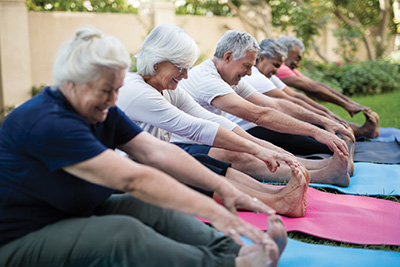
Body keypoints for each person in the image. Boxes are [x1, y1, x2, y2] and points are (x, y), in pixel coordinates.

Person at [0, 27, 288, 266]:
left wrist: (224, 188)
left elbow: (158, 152)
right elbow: (133, 178)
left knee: (150, 206)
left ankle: (236, 252)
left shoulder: (102, 109)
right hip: (21, 237)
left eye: (116, 89)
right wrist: (216, 212)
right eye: (105, 91)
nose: (113, 101)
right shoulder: (47, 122)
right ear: (71, 83)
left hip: (72, 210)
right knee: (123, 233)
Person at [117, 24, 310, 217]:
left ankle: (277, 194)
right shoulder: (137, 92)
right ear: (157, 62)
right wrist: (257, 150)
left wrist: (267, 148)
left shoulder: (165, 88)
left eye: (188, 67)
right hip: (125, 180)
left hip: (147, 165)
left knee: (199, 161)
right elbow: (195, 128)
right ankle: (277, 203)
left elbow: (206, 117)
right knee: (184, 171)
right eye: (181, 67)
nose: (185, 75)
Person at [178, 30, 352, 187]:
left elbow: (275, 104)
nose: (249, 73)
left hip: (209, 138)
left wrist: (323, 121)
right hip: (181, 146)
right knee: (238, 153)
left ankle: (327, 167)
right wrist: (315, 131)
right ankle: (322, 175)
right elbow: (259, 115)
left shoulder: (227, 76)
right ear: (228, 57)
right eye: (247, 66)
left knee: (250, 147)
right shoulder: (207, 79)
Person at [276, 35, 380, 139]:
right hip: (279, 113)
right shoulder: (280, 68)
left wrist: (350, 103)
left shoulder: (286, 68)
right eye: (297, 58)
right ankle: (360, 131)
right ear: (285, 51)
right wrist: (345, 104)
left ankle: (357, 130)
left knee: (310, 107)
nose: (297, 64)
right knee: (307, 109)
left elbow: (316, 85)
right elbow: (313, 89)